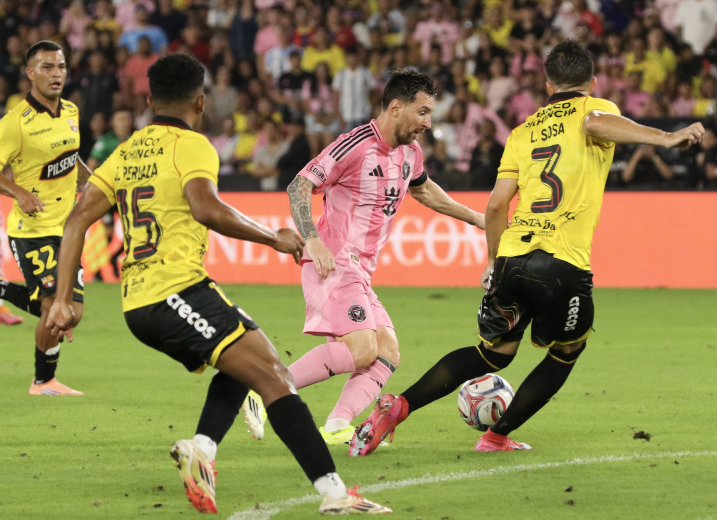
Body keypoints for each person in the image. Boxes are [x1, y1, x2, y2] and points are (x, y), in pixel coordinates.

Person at [44, 53, 389, 516]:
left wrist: (62, 299)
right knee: (275, 378)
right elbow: (205, 207)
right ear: (201, 102)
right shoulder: (192, 146)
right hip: (174, 291)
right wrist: (272, 237)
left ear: (149, 102)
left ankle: (203, 450)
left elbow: (76, 221)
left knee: (244, 363)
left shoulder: (125, 152)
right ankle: (334, 494)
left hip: (139, 300)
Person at [349, 39, 704, 457]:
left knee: (493, 354)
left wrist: (493, 261)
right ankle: (495, 436)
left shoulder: (522, 133)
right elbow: (595, 124)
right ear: (592, 83)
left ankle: (398, 405)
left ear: (549, 85)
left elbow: (496, 205)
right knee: (568, 350)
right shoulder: (595, 109)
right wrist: (666, 138)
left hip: (512, 257)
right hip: (561, 262)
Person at [243, 70, 485, 447]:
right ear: (396, 108)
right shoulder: (354, 145)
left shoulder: (410, 153)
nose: (428, 122)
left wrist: (477, 218)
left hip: (359, 271)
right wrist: (312, 241)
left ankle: (338, 424)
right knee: (363, 348)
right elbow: (299, 185)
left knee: (387, 351)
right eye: (422, 112)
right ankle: (266, 387)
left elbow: (425, 191)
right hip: (333, 262)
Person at [0, 41, 92, 396]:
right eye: (47, 67)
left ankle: (2, 289)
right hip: (33, 230)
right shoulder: (15, 122)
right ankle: (43, 382)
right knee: (54, 305)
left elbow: (71, 157)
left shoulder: (71, 111)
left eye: (61, 66)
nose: (57, 74)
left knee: (71, 312)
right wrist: (18, 192)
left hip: (67, 228)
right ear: (30, 73)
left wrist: (92, 183)